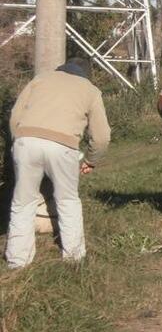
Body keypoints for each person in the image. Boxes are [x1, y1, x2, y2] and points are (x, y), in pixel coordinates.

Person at [5, 57, 110, 268]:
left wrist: (20, 141)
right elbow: (102, 136)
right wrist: (91, 160)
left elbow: (15, 115)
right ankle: (74, 259)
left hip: (26, 140)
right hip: (63, 147)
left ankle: (17, 261)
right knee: (67, 201)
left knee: (22, 203)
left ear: (61, 68)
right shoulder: (90, 90)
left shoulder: (41, 79)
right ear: (87, 74)